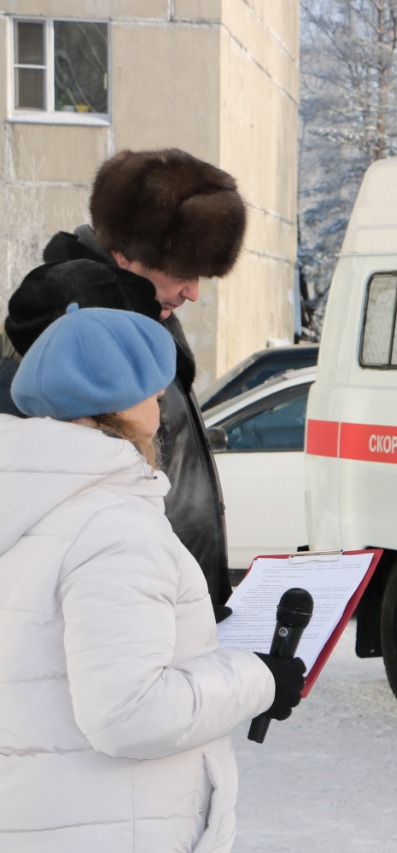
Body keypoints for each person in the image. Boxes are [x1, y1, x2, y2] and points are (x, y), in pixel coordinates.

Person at [0, 302, 304, 853]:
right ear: (114, 400)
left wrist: (189, 633)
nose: (161, 406)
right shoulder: (111, 524)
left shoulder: (26, 497)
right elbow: (128, 714)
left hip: (40, 816)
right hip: (113, 826)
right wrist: (258, 678)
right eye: (153, 390)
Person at [0, 148, 247, 615]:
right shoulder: (60, 328)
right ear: (126, 255)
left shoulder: (144, 319)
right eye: (183, 272)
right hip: (122, 599)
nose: (193, 292)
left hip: (163, 592)